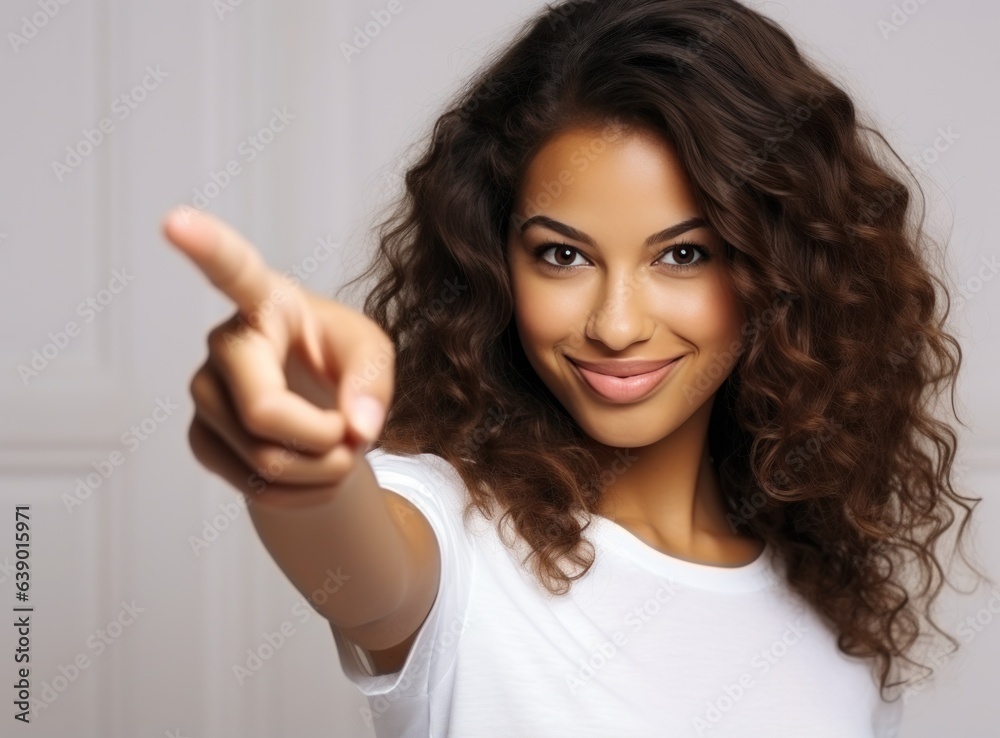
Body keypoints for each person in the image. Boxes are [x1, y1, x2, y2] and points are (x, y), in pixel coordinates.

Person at [162, 1, 991, 735]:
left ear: (781, 271)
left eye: (684, 255)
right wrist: (299, 452)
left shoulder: (835, 633)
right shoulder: (450, 542)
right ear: (494, 264)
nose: (617, 324)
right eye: (562, 254)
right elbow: (359, 564)